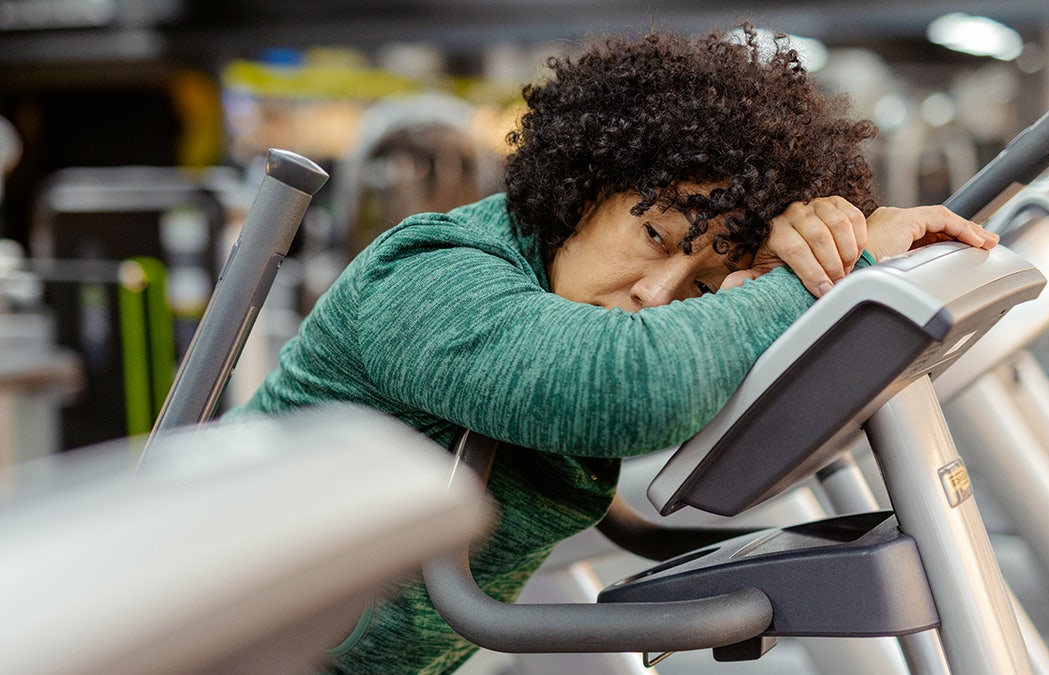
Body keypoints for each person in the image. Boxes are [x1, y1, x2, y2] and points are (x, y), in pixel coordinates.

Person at [229, 25, 997, 674]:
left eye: (704, 283)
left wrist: (811, 248)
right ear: (585, 184)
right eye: (655, 233)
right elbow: (631, 385)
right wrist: (838, 275)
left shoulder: (565, 289)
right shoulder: (429, 273)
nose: (657, 294)